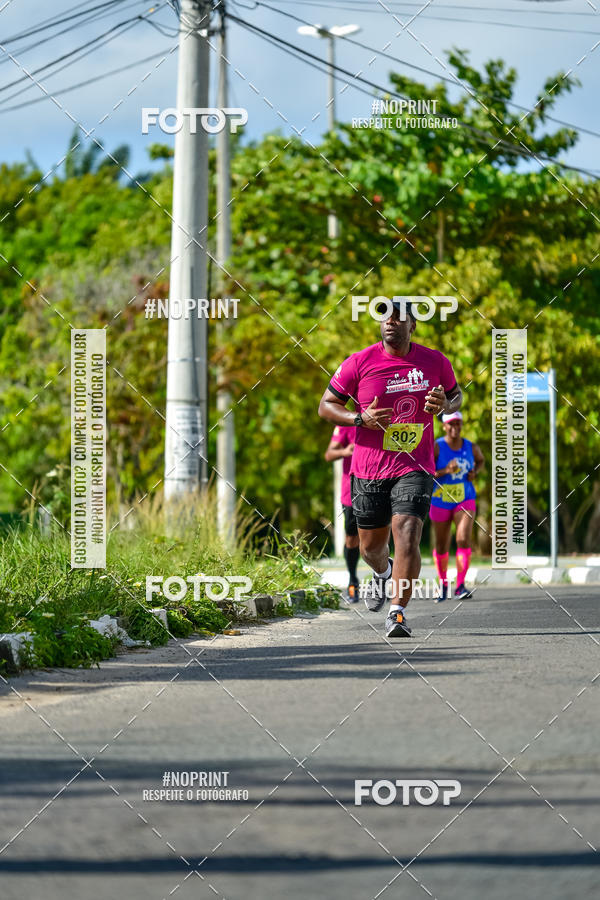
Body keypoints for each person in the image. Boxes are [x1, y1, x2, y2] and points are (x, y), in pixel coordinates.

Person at [318, 299, 462, 637]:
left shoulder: (435, 361)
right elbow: (326, 406)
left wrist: (445, 404)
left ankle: (396, 613)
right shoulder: (359, 362)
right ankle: (382, 574)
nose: (391, 323)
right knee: (370, 548)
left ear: (413, 325)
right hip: (368, 470)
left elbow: (456, 397)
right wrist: (359, 418)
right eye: (386, 318)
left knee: (409, 534)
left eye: (399, 319)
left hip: (416, 465)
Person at [430, 412, 485, 600]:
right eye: (451, 424)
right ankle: (443, 582)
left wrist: (474, 473)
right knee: (442, 544)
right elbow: (426, 472)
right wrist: (446, 470)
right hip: (440, 499)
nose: (455, 427)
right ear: (444, 426)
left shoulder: (471, 447)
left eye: (458, 423)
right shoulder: (437, 447)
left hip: (465, 498)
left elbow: (481, 461)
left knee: (462, 538)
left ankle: (460, 585)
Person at [324, 425, 360, 602]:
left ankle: (381, 581)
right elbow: (329, 454)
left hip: (378, 486)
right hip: (351, 490)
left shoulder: (382, 415)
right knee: (352, 539)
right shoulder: (344, 423)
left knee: (378, 536)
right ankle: (353, 580)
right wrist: (346, 451)